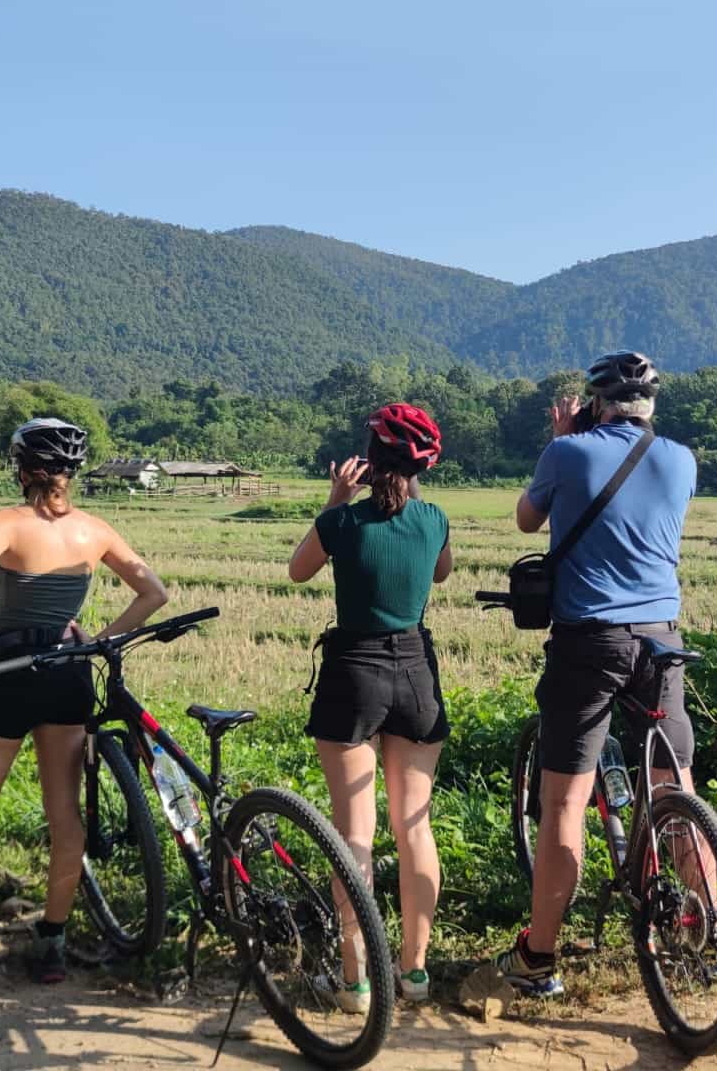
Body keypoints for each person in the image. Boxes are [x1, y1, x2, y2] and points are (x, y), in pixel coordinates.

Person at [0, 417, 171, 1003]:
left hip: (11, 674)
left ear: (23, 469)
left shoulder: (7, 522)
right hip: (68, 674)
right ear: (72, 471)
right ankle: (51, 944)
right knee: (65, 817)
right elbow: (154, 593)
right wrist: (98, 639)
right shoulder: (94, 530)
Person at [492, 350, 702, 998]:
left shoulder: (567, 453)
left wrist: (563, 438)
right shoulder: (682, 459)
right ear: (651, 406)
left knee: (564, 802)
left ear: (595, 405)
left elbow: (527, 519)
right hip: (661, 639)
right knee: (676, 787)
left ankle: (538, 958)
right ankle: (711, 937)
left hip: (590, 642)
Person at [287, 403, 453, 1011]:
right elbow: (441, 574)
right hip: (415, 674)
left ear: (369, 459)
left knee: (355, 833)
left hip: (353, 674)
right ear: (421, 467)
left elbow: (298, 571)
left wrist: (336, 499)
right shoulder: (434, 520)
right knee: (415, 826)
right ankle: (415, 971)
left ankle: (355, 979)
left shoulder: (342, 522)